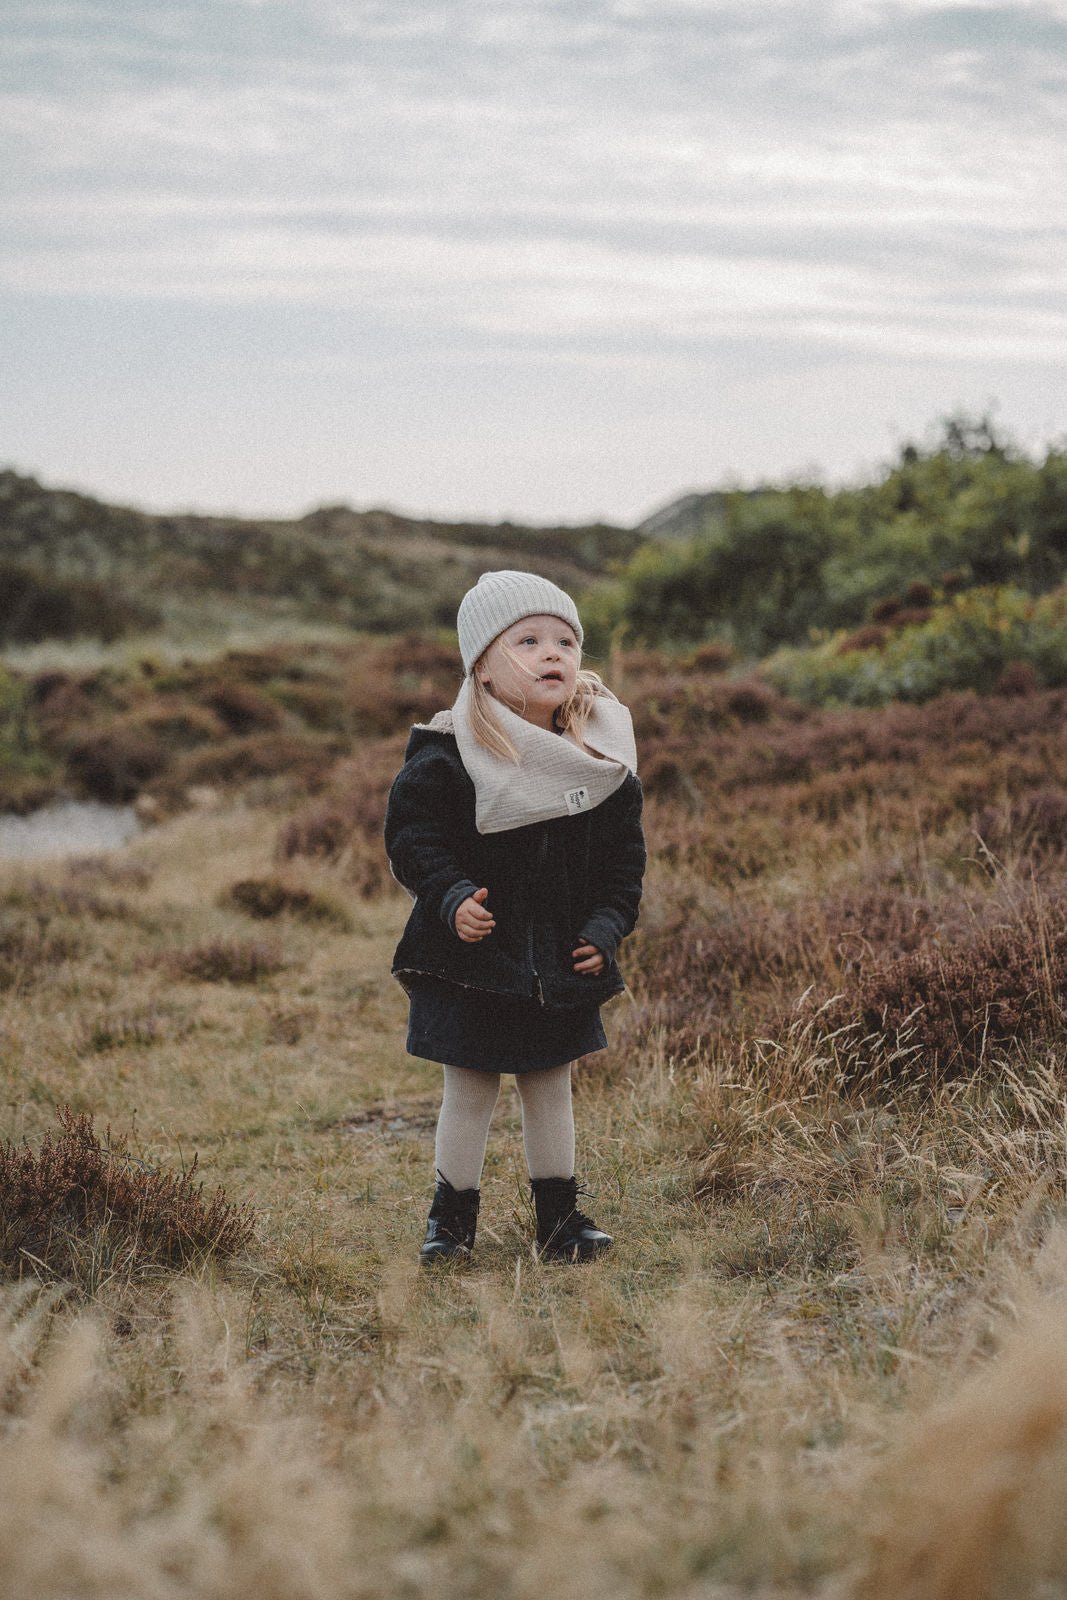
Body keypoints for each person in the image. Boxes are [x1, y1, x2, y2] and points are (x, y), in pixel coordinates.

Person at [384, 569, 646, 1266]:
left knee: (549, 1088)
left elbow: (623, 868)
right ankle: (450, 1225)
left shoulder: (601, 762)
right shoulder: (449, 755)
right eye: (526, 640)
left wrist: (603, 931)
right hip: (469, 958)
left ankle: (560, 1223)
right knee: (468, 1091)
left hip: (558, 961)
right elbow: (411, 839)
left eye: (565, 639)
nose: (552, 652)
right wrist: (449, 896)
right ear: (484, 668)